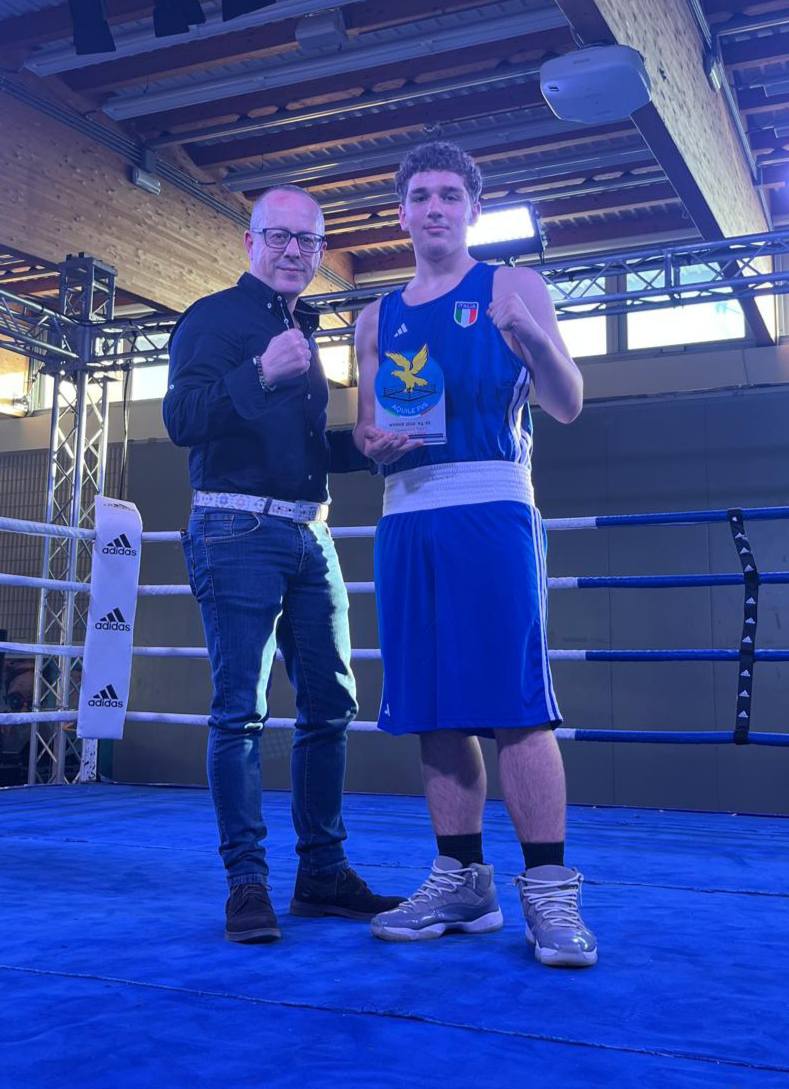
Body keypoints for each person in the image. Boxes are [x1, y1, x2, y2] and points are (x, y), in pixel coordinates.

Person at [353, 142, 597, 967]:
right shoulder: (374, 316)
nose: (434, 208)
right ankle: (462, 880)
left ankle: (550, 890)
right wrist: (371, 441)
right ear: (401, 213)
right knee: (431, 708)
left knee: (516, 705)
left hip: (491, 506)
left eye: (449, 195)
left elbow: (567, 404)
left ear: (471, 210)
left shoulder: (511, 286)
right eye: (420, 195)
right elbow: (366, 428)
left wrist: (531, 337)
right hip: (405, 515)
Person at [163, 184, 402, 943]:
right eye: (279, 236)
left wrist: (358, 449)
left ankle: (321, 874)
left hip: (309, 532)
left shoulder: (303, 327)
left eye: (308, 240)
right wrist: (260, 373)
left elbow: (293, 451)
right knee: (240, 709)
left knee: (331, 703)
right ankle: (246, 883)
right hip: (234, 527)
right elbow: (181, 418)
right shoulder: (212, 319)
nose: (294, 250)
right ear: (251, 242)